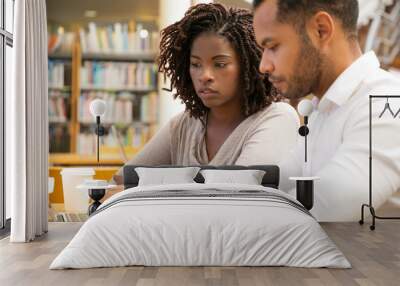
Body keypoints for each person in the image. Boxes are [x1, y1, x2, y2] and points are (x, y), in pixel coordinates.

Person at [113, 3, 299, 184]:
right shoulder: (183, 125)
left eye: (220, 64)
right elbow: (122, 180)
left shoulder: (278, 117)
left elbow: (239, 191)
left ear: (249, 66)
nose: (205, 76)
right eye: (196, 64)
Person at [252, 0, 400, 221]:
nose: (264, 65)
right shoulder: (324, 110)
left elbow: (326, 206)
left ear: (321, 30)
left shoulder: (386, 102)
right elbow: (282, 176)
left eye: (272, 46)